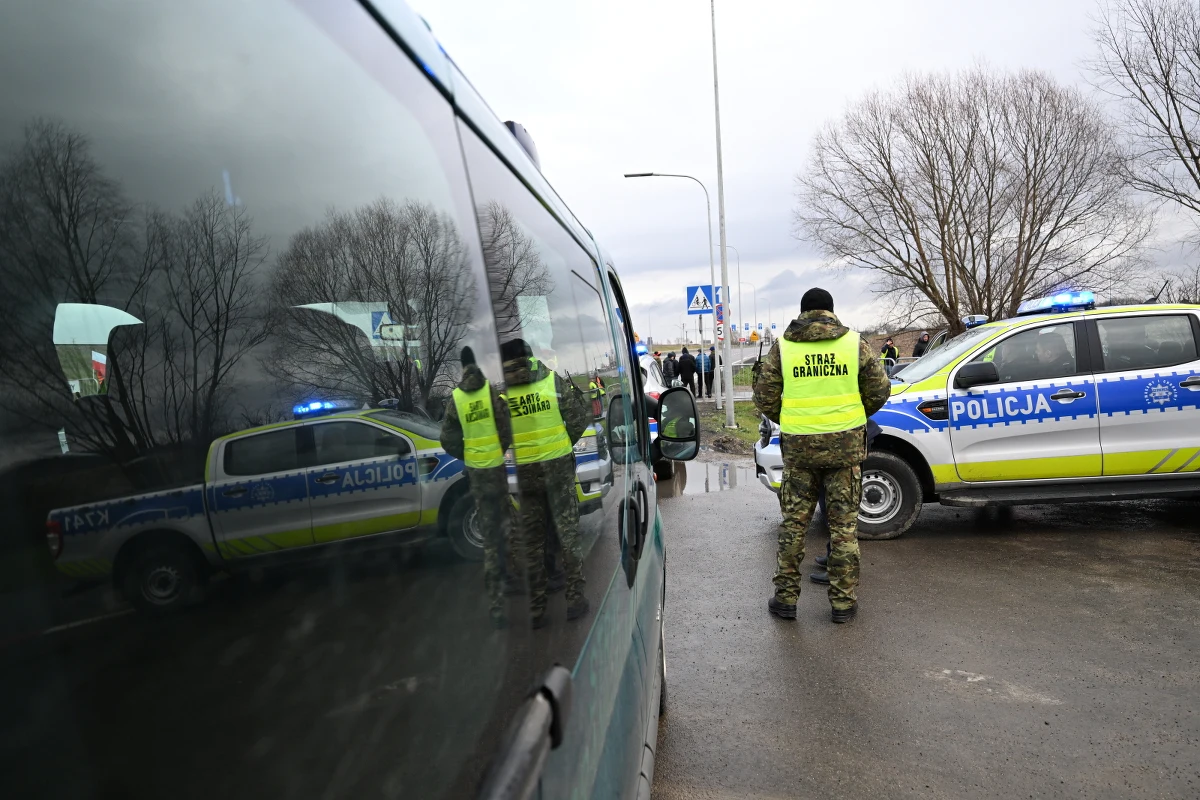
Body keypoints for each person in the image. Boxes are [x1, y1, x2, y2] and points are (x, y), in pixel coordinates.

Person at [753, 287, 891, 624]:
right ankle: (843, 604)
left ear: (803, 312)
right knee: (843, 529)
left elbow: (764, 396)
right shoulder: (853, 343)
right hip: (845, 450)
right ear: (831, 311)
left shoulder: (783, 347)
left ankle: (785, 600)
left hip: (800, 451)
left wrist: (791, 419)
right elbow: (879, 390)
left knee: (794, 526)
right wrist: (851, 416)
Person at [501, 337, 591, 627]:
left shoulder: (503, 396)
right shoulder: (552, 382)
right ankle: (575, 601)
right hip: (559, 472)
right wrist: (561, 445)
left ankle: (537, 610)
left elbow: (499, 438)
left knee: (532, 545)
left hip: (527, 478)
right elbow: (578, 420)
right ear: (529, 357)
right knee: (568, 538)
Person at [439, 346, 513, 627]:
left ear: (462, 367)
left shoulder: (456, 399)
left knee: (490, 539)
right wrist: (497, 449)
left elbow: (447, 439)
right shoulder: (490, 392)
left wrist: (469, 454)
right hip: (497, 469)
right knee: (509, 527)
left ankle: (497, 606)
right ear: (477, 365)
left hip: (477, 476)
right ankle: (518, 581)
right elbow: (505, 427)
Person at [810, 417, 881, 585]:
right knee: (832, 508)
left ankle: (839, 571)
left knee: (839, 512)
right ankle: (834, 559)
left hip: (843, 441)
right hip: (840, 439)